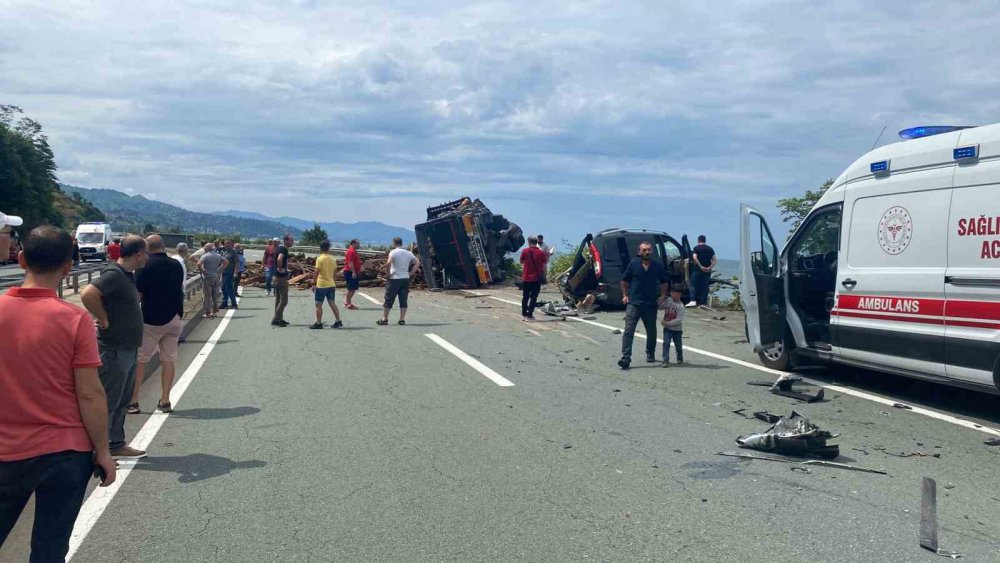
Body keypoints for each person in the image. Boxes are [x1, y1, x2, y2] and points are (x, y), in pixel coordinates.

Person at [0, 226, 116, 561]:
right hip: (65, 451)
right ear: (68, 267)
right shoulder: (75, 319)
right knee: (50, 549)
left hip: (6, 450)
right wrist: (103, 450)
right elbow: (90, 393)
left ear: (22, 259)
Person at [80, 235, 149, 460]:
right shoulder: (114, 274)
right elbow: (88, 293)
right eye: (146, 253)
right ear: (138, 253)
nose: (147, 258)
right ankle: (99, 449)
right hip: (115, 349)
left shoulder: (127, 275)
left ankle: (116, 443)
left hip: (127, 347)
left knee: (122, 400)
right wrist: (103, 319)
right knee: (109, 401)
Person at [127, 235, 185, 415]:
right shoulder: (176, 265)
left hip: (150, 320)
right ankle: (165, 400)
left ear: (147, 248)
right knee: (168, 359)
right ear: (163, 246)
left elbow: (137, 296)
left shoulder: (143, 266)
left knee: (140, 360)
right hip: (174, 317)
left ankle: (133, 401)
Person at [618, 241, 669, 370]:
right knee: (628, 330)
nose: (647, 252)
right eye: (644, 250)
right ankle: (625, 358)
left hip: (650, 304)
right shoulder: (633, 264)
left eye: (649, 250)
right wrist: (625, 295)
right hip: (634, 303)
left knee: (651, 330)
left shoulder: (657, 266)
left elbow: (664, 282)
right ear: (639, 252)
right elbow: (624, 280)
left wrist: (663, 296)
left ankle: (650, 352)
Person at [377, 237, 416, 326]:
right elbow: (417, 263)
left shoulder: (393, 252)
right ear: (401, 243)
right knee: (403, 299)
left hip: (395, 278)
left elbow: (389, 263)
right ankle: (402, 319)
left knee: (389, 298)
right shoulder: (408, 253)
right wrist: (411, 273)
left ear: (394, 243)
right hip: (405, 278)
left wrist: (388, 274)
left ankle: (385, 318)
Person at [310, 240, 344, 329]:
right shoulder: (333, 259)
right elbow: (335, 273)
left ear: (321, 248)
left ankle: (318, 323)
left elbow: (316, 272)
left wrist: (313, 283)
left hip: (322, 285)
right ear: (328, 248)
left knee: (318, 304)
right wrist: (334, 282)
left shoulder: (320, 259)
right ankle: (338, 321)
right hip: (331, 284)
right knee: (332, 303)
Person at [519, 235, 548, 321]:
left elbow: (521, 261)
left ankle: (524, 315)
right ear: (536, 242)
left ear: (529, 242)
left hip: (526, 277)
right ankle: (530, 315)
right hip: (537, 278)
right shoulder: (541, 253)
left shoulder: (525, 251)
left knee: (525, 297)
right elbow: (544, 265)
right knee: (534, 297)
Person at [197, 243, 227, 318]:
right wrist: (220, 269)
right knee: (214, 295)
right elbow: (226, 262)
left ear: (206, 249)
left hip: (208, 277)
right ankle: (215, 312)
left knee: (207, 296)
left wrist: (202, 270)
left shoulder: (205, 256)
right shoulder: (218, 255)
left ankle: (208, 312)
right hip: (215, 277)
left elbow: (199, 264)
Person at [660, 285, 686, 367]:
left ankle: (679, 357)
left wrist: (668, 323)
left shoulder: (681, 306)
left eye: (673, 292)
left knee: (678, 345)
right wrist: (661, 301)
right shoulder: (669, 301)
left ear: (679, 294)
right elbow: (661, 307)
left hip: (676, 330)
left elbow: (679, 319)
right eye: (671, 292)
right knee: (666, 344)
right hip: (667, 329)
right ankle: (665, 360)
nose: (671, 294)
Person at [271, 234, 293, 327]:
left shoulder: (279, 248)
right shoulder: (283, 249)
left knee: (278, 299)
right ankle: (276, 319)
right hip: (281, 278)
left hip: (276, 277)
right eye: (291, 240)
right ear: (286, 241)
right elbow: (279, 259)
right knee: (284, 300)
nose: (292, 242)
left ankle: (279, 318)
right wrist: (280, 269)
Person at [689, 235, 717, 307]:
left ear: (698, 240)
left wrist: (700, 266)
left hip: (697, 270)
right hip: (707, 271)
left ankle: (693, 300)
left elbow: (694, 258)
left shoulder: (696, 248)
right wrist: (709, 267)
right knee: (705, 286)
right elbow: (714, 260)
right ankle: (703, 303)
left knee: (693, 285)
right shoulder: (710, 249)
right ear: (705, 240)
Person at [172, 242, 191, 343]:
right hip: (178, 291)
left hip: (174, 290)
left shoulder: (173, 259)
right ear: (186, 251)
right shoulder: (180, 261)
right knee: (177, 314)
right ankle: (176, 335)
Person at [219, 239, 239, 310]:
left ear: (232, 244)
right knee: (223, 288)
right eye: (225, 243)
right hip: (224, 272)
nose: (226, 244)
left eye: (228, 243)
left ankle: (234, 304)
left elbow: (237, 262)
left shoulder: (233, 252)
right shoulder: (224, 252)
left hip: (230, 272)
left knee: (229, 288)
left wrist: (235, 272)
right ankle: (224, 303)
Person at [343, 238, 362, 309]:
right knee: (351, 288)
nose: (359, 245)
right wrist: (353, 272)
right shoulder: (351, 251)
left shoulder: (354, 251)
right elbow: (350, 263)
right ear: (353, 243)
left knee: (353, 288)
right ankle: (349, 304)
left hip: (353, 272)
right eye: (358, 243)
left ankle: (347, 302)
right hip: (350, 272)